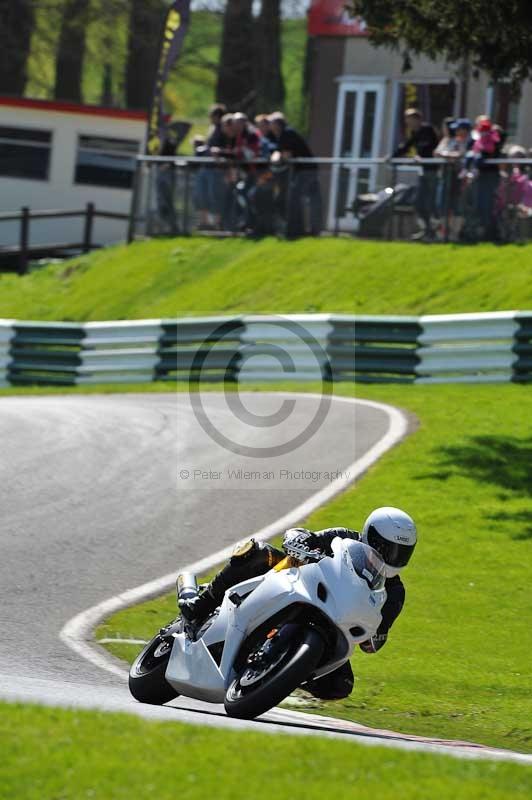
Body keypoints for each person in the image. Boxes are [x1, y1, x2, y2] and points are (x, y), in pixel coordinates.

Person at [179, 507, 417, 701]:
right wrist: (306, 548)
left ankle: (279, 672)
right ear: (371, 536)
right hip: (291, 584)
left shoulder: (394, 592)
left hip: (333, 622)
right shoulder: (345, 538)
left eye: (401, 553)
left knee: (340, 685)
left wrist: (374, 634)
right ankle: (199, 604)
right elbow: (297, 535)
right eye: (387, 548)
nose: (392, 557)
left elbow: (373, 641)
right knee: (259, 552)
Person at [269, 111, 322, 238]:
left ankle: (298, 231)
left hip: (305, 171)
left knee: (294, 199)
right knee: (309, 200)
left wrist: (277, 159)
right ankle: (312, 230)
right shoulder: (286, 133)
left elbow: (286, 155)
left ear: (277, 124)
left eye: (271, 123)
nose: (270, 127)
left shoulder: (286, 134)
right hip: (307, 170)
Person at [393, 108, 439, 240]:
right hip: (423, 171)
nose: (408, 123)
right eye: (407, 121)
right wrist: (392, 156)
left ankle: (437, 230)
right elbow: (407, 146)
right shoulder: (414, 132)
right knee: (419, 202)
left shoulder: (427, 130)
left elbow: (432, 146)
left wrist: (421, 156)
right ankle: (427, 229)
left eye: (410, 120)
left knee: (431, 201)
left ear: (417, 119)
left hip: (434, 170)